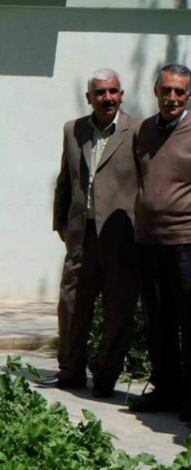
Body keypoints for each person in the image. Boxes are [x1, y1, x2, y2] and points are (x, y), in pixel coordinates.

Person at [50, 69, 139, 398]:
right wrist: (61, 223)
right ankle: (70, 369)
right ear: (89, 98)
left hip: (120, 235)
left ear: (122, 94)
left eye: (113, 91)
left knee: (118, 307)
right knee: (72, 304)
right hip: (81, 233)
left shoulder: (137, 130)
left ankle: (105, 374)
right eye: (100, 93)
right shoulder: (74, 130)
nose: (108, 98)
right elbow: (65, 179)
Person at [130, 63, 191, 420]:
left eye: (179, 92)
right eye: (166, 90)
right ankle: (164, 390)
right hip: (148, 241)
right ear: (156, 91)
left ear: (188, 95)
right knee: (158, 319)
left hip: (185, 241)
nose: (172, 98)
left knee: (188, 318)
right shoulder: (143, 131)